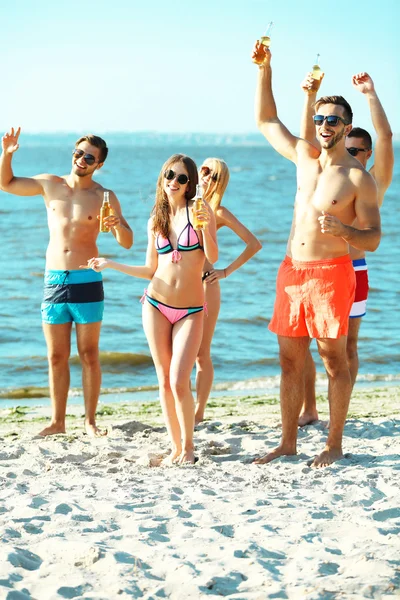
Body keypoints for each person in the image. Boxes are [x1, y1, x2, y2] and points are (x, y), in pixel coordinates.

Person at [252, 44, 381, 467]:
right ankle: (288, 442)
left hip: (331, 273)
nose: (324, 125)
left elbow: (374, 238)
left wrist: (345, 230)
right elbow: (267, 120)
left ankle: (334, 443)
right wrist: (265, 69)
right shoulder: (304, 159)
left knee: (334, 360)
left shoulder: (358, 178)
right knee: (289, 360)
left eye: (333, 120)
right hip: (292, 271)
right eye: (319, 119)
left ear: (347, 127)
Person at [0, 128, 133, 437]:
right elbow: (5, 183)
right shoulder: (50, 185)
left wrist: (115, 226)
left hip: (87, 279)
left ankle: (89, 422)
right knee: (56, 356)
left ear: (98, 164)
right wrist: (7, 154)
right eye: (78, 153)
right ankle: (57, 422)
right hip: (55, 280)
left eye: (89, 157)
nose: (81, 160)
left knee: (89, 354)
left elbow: (127, 242)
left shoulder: (104, 196)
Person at [86, 154, 218, 465]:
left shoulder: (200, 212)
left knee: (178, 381)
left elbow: (212, 254)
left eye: (182, 178)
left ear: (189, 185)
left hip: (190, 310)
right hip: (156, 304)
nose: (174, 180)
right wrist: (111, 264)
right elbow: (150, 269)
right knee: (163, 381)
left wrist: (202, 229)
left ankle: (189, 448)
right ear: (163, 177)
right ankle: (175, 447)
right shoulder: (154, 220)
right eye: (170, 174)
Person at [298, 72, 394, 426]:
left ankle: (341, 410)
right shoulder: (329, 169)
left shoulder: (374, 179)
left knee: (347, 348)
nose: (350, 153)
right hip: (318, 269)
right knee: (304, 344)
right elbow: (311, 139)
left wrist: (370, 93)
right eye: (347, 148)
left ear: (367, 153)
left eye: (357, 150)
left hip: (352, 270)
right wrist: (311, 97)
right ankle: (310, 407)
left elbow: (385, 135)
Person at [194, 158, 262, 424]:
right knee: (178, 351)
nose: (206, 176)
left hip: (205, 283)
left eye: (213, 174)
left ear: (220, 181)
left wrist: (225, 271)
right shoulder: (185, 205)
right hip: (179, 285)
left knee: (202, 353)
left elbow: (253, 243)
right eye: (204, 170)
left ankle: (198, 413)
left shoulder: (217, 211)